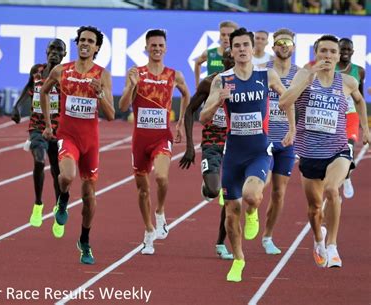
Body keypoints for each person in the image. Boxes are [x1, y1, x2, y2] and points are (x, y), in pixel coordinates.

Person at [199, 27, 290, 282]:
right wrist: (218, 100)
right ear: (231, 50)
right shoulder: (222, 80)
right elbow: (204, 117)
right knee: (230, 215)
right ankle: (238, 259)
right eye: (236, 45)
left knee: (251, 196)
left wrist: (292, 127)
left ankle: (253, 214)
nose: (240, 49)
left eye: (245, 45)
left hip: (259, 151)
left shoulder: (266, 74)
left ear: (253, 49)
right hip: (233, 155)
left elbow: (287, 99)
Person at [280, 35, 370, 268]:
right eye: (323, 51)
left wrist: (366, 128)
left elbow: (360, 101)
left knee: (332, 189)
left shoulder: (347, 82)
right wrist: (308, 77)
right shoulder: (303, 75)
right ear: (316, 54)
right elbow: (284, 103)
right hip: (309, 153)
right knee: (314, 209)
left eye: (332, 52)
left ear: (339, 56)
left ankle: (332, 245)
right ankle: (318, 240)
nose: (328, 56)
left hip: (338, 149)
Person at [40, 26, 115, 265]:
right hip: (67, 136)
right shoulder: (62, 71)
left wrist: (100, 94)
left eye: (90, 41)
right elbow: (43, 91)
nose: (85, 44)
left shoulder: (102, 75)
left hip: (90, 142)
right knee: (67, 176)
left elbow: (112, 115)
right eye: (82, 40)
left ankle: (84, 241)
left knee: (90, 198)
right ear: (77, 43)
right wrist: (49, 124)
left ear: (97, 48)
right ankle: (62, 199)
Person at [119, 29, 190, 255]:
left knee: (161, 177)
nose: (157, 49)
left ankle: (160, 212)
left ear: (166, 48)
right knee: (142, 190)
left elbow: (187, 95)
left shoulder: (174, 75)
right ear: (146, 48)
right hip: (140, 140)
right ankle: (149, 230)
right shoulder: (136, 73)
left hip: (162, 137)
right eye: (153, 46)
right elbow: (122, 107)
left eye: (160, 45)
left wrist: (180, 124)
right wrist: (131, 86)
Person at [179, 48, 235, 260]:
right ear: (223, 60)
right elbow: (189, 110)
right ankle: (207, 187)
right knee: (213, 191)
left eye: (236, 55)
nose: (232, 59)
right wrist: (190, 147)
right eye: (228, 56)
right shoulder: (209, 82)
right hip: (212, 142)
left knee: (229, 197)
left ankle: (221, 243)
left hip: (236, 144)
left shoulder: (248, 83)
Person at [11, 38, 67, 228]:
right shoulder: (36, 70)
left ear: (64, 55)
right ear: (46, 50)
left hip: (58, 129)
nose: (54, 52)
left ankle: (59, 208)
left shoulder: (66, 74)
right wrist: (17, 106)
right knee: (39, 160)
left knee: (57, 172)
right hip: (37, 126)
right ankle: (38, 204)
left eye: (59, 49)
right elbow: (29, 87)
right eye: (52, 48)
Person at [261, 29, 299, 255]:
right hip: (264, 137)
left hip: (287, 140)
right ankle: (252, 206)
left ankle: (268, 236)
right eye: (280, 42)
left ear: (293, 47)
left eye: (288, 42)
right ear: (273, 47)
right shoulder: (263, 72)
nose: (284, 46)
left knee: (279, 193)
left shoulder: (300, 74)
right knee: (261, 183)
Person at [335, 38, 365, 199]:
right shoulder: (329, 69)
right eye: (342, 49)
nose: (345, 52)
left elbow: (360, 98)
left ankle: (346, 178)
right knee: (333, 154)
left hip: (351, 116)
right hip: (333, 116)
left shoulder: (359, 71)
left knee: (348, 150)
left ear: (353, 51)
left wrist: (365, 127)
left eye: (348, 49)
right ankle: (337, 182)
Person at [194, 21, 239, 88]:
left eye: (229, 35)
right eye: (223, 35)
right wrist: (197, 85)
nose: (226, 38)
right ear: (219, 36)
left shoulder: (239, 55)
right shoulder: (209, 53)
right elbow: (197, 63)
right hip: (211, 93)